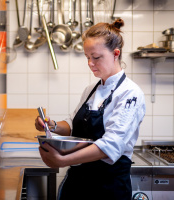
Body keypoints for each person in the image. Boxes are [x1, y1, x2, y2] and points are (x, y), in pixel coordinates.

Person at [35, 18, 146, 200]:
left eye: (96, 57)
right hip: (77, 184)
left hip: (108, 188)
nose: (90, 63)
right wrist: (52, 125)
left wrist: (63, 160)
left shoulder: (130, 93)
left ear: (115, 53)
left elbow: (111, 145)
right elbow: (72, 124)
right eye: (87, 58)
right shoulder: (91, 90)